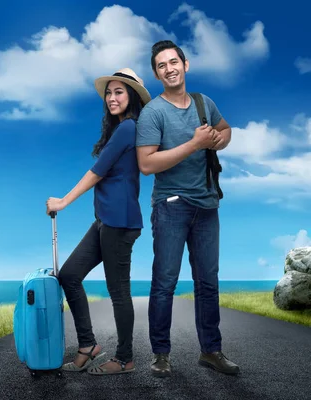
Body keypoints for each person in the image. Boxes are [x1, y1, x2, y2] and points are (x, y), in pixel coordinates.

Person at [135, 40, 240, 377]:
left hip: (208, 205)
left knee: (208, 282)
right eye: (162, 65)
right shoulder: (153, 113)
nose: (170, 68)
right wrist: (194, 143)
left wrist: (218, 140)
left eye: (174, 62)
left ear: (186, 64)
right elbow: (147, 164)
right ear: (156, 73)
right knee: (164, 282)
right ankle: (161, 354)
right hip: (170, 207)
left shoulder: (203, 103)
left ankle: (211, 350)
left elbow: (225, 130)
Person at [46, 68, 151, 375]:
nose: (112, 97)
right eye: (109, 92)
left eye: (119, 92)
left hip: (120, 223)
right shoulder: (119, 130)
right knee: (69, 275)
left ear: (131, 96)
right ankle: (88, 345)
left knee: (118, 291)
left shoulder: (130, 128)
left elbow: (99, 171)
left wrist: (63, 201)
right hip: (104, 220)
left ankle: (124, 358)